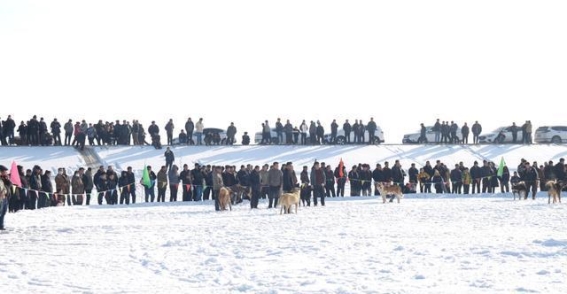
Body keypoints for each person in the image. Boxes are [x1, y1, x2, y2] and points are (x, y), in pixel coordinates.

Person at [0, 165, 11, 230]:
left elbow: (9, 185)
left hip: (5, 197)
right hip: (1, 198)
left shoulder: (4, 178)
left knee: (3, 212)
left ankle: (1, 225)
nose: (6, 172)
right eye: (4, 171)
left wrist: (7, 179)